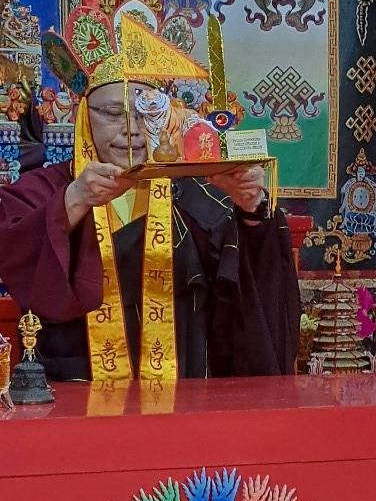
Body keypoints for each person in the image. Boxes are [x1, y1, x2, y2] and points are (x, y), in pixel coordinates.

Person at [0, 58, 300, 383]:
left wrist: (251, 209)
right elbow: (14, 251)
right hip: (77, 390)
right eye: (112, 113)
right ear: (82, 115)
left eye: (147, 112)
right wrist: (74, 200)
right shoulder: (47, 189)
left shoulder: (196, 191)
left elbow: (249, 297)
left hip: (182, 392)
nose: (131, 129)